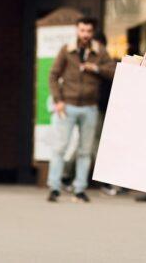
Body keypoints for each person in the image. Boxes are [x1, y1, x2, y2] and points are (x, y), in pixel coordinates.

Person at [46, 17, 115, 203]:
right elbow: (53, 76)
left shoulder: (99, 51)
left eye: (88, 31)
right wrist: (58, 100)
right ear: (77, 30)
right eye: (82, 30)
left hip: (90, 107)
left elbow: (113, 70)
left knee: (85, 150)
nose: (85, 34)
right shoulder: (67, 50)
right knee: (60, 147)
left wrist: (96, 68)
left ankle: (80, 188)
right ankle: (54, 187)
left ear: (92, 33)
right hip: (67, 105)